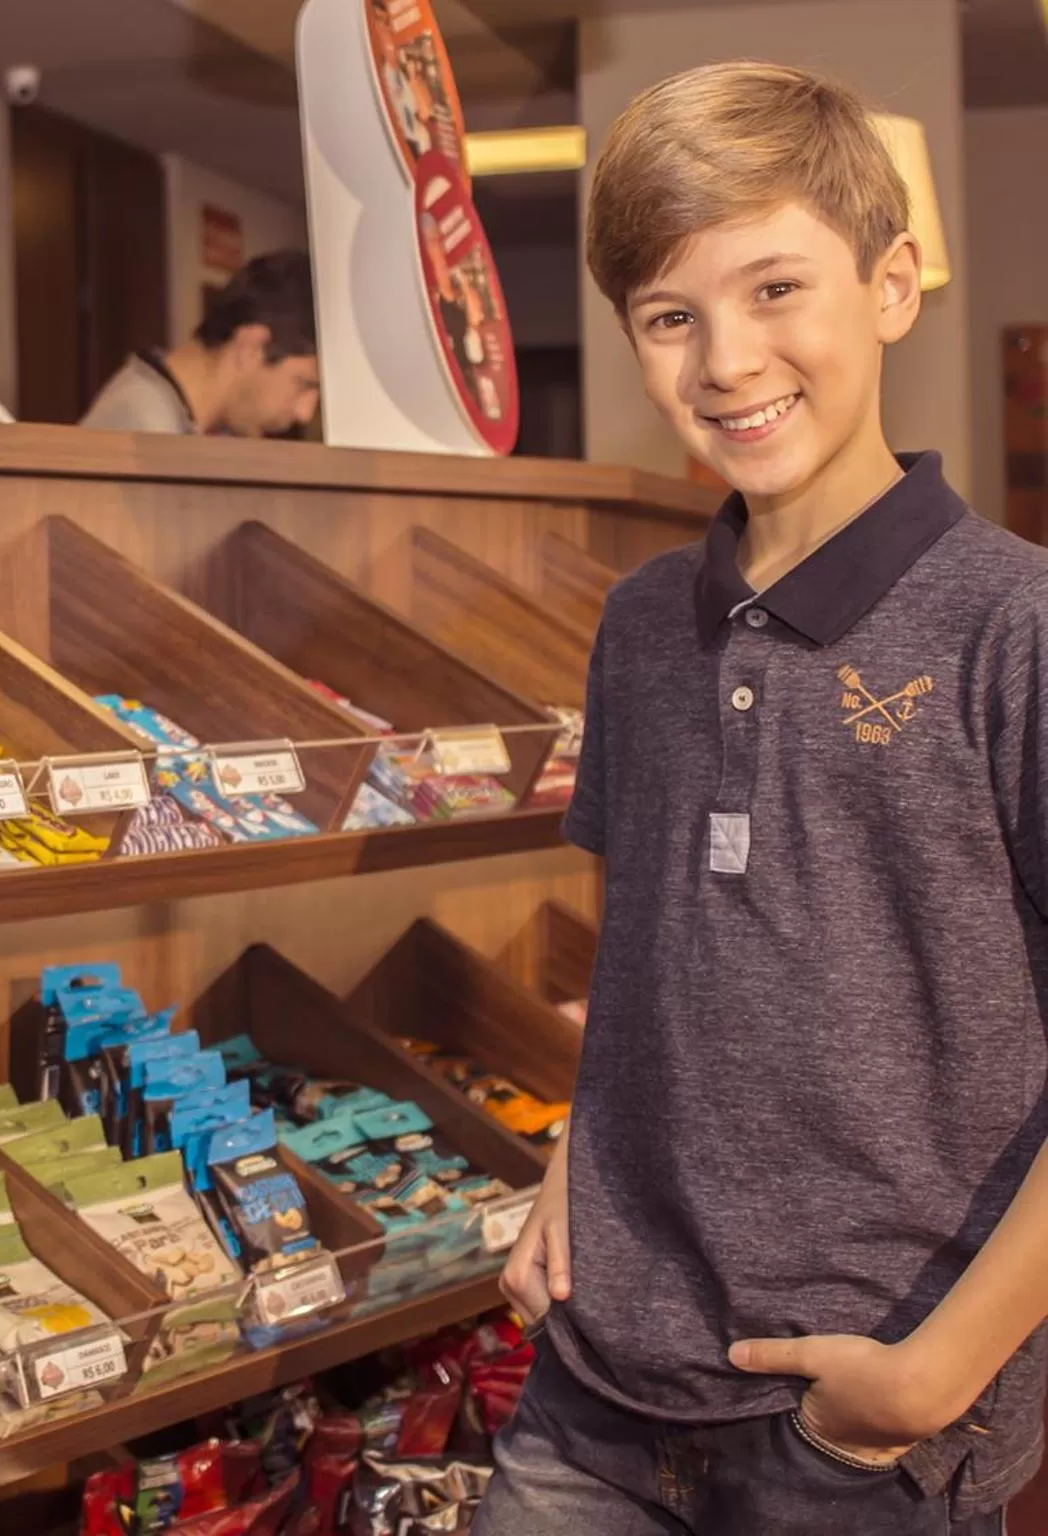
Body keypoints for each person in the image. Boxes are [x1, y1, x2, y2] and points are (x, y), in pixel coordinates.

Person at [473, 61, 1048, 1536]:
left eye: (778, 288)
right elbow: (648, 954)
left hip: (856, 1428)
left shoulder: (1017, 628)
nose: (727, 361)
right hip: (595, 1386)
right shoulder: (640, 624)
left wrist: (928, 1381)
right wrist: (569, 1159)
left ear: (894, 282)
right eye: (672, 317)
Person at [79, 249, 320, 436]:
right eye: (304, 384)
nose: (306, 413)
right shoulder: (143, 430)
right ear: (251, 348)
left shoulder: (169, 418)